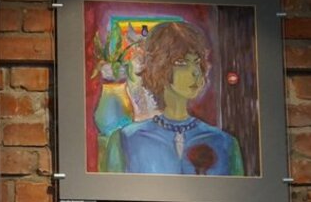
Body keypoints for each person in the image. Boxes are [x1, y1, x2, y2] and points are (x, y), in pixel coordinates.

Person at [104, 21, 244, 176]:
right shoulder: (125, 141)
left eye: (197, 62)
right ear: (159, 67)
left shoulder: (226, 144)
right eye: (181, 63)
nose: (195, 72)